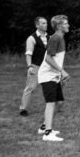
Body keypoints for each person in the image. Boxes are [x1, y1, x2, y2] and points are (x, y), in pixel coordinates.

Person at [37, 14, 70, 142]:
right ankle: (48, 133)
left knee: (59, 102)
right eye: (65, 23)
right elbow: (48, 58)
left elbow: (57, 59)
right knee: (50, 103)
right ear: (58, 26)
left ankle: (44, 126)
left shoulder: (61, 38)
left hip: (54, 75)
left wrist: (60, 74)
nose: (68, 25)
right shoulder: (55, 38)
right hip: (47, 75)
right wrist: (62, 71)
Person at [18, 17, 49, 116]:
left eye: (46, 23)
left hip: (47, 67)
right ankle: (23, 109)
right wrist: (29, 66)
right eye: (43, 23)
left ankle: (53, 106)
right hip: (35, 66)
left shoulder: (50, 38)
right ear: (37, 25)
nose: (46, 25)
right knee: (30, 87)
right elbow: (28, 53)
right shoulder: (32, 38)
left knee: (50, 87)